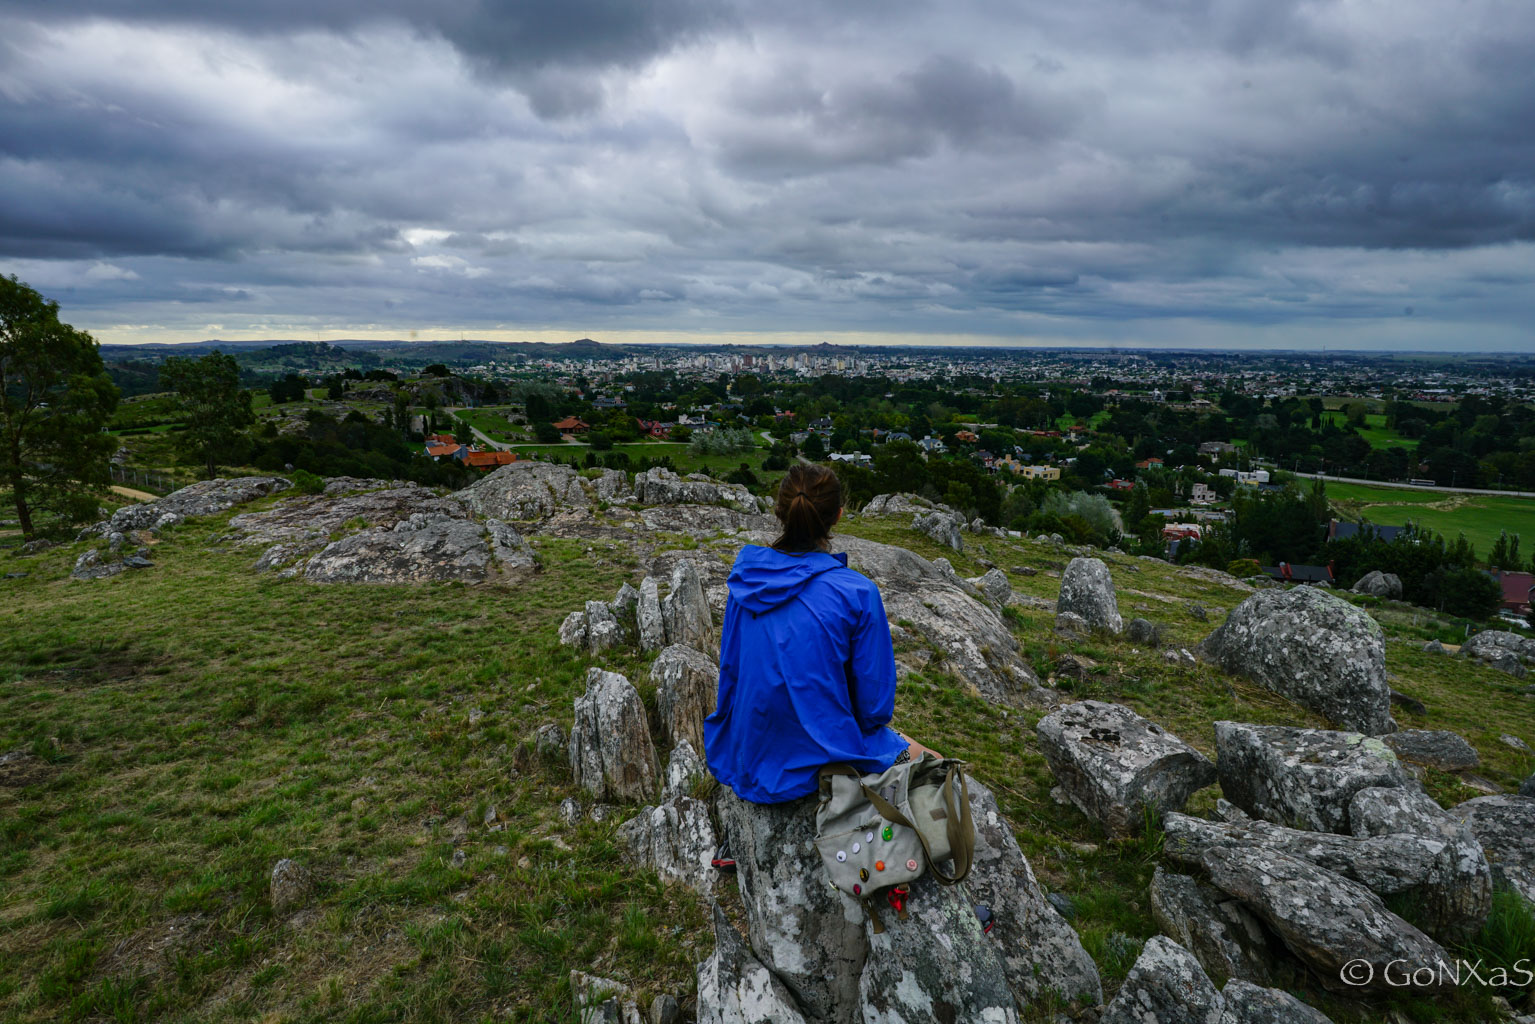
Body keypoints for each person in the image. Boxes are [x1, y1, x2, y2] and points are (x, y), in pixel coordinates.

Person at [704, 463, 939, 806]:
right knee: (933, 763)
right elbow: (874, 709)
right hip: (820, 758)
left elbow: (732, 673)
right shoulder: (857, 592)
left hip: (747, 752)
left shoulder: (745, 580)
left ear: (779, 512)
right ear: (839, 516)